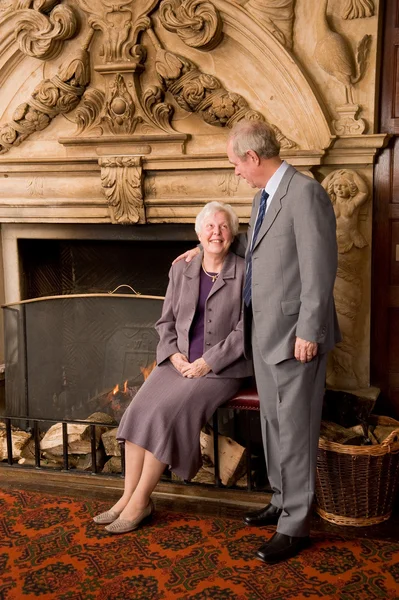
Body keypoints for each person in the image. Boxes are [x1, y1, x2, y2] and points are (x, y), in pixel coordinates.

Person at [174, 119, 341, 563]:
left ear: (253, 157)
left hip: (294, 337)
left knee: (296, 429)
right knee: (273, 425)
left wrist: (311, 330)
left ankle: (295, 526)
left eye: (236, 164)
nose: (236, 173)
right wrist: (207, 247)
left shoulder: (305, 194)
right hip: (263, 336)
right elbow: (261, 244)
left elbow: (320, 268)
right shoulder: (263, 196)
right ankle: (282, 499)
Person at [93, 201, 253, 534]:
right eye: (209, 226)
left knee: (165, 415)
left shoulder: (246, 273)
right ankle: (127, 496)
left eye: (223, 227)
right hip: (177, 362)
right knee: (137, 410)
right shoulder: (182, 269)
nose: (216, 233)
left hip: (222, 369)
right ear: (198, 233)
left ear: (233, 233)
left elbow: (246, 331)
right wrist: (173, 356)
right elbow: (165, 321)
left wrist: (207, 362)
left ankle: (141, 502)